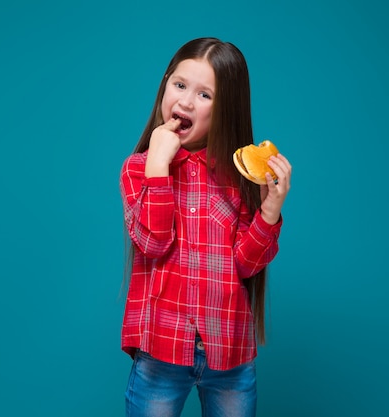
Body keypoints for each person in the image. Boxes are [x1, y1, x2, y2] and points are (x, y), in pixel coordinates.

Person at [119, 37, 292, 417]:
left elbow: (246, 265)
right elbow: (153, 241)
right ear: (165, 83)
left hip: (229, 356)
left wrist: (270, 210)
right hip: (161, 353)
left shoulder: (241, 176)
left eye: (204, 95)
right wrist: (159, 167)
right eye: (179, 85)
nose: (185, 101)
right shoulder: (138, 169)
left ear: (226, 108)